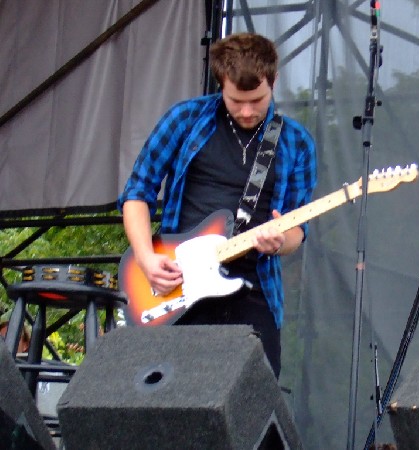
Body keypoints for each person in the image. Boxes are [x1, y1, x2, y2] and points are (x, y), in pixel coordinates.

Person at [118, 32, 317, 378]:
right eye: (235, 100)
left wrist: (280, 241)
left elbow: (298, 229)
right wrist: (147, 259)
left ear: (275, 81)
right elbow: (138, 192)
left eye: (257, 99)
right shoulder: (185, 120)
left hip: (254, 290)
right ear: (220, 83)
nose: (246, 111)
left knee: (254, 404)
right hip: (177, 286)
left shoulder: (296, 143)